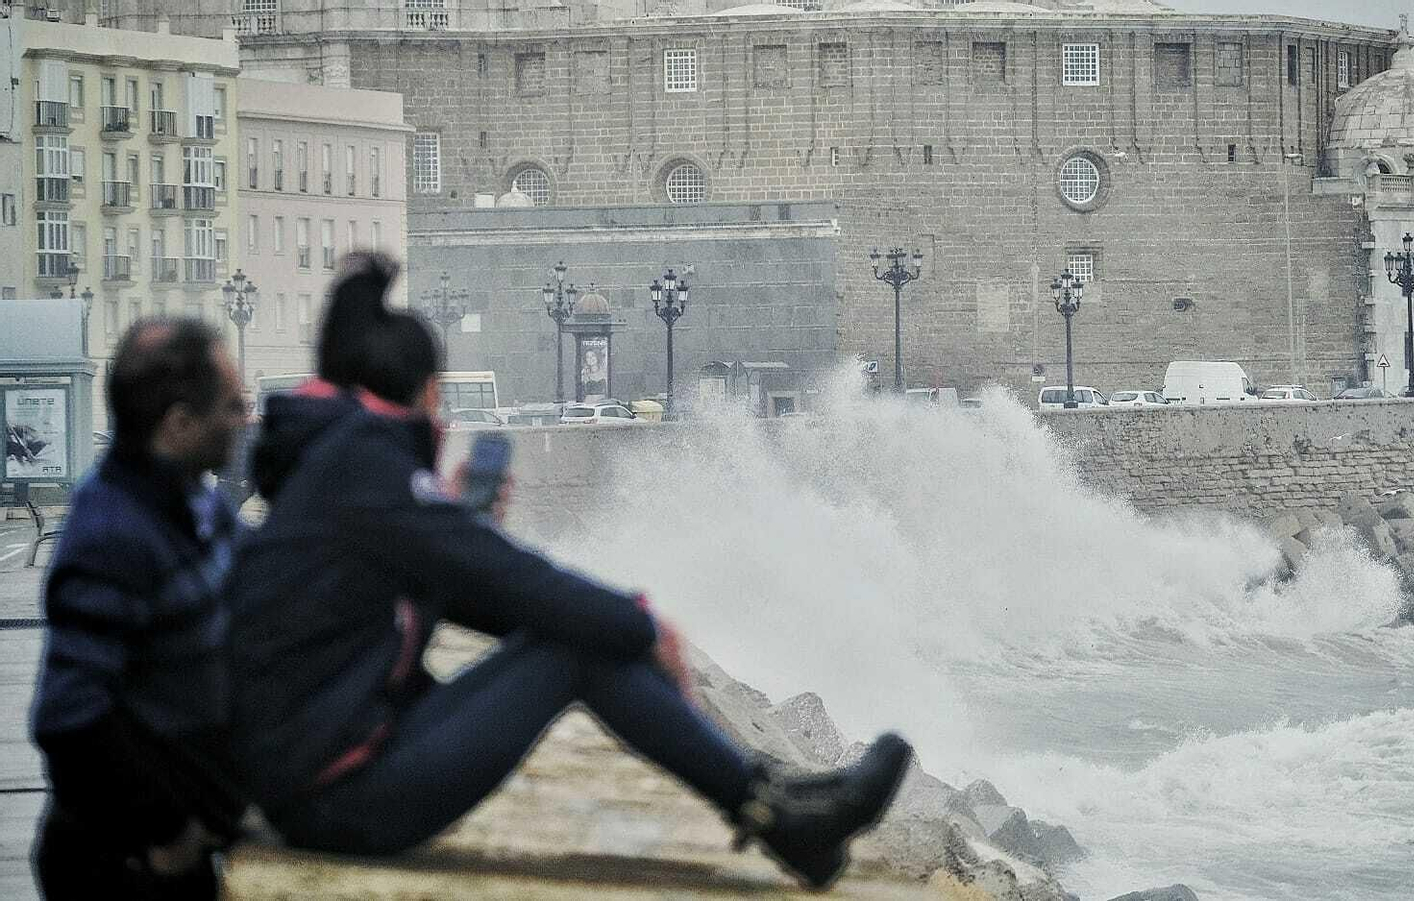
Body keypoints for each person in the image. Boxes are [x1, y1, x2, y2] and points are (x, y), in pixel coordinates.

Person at [226, 253, 911, 890]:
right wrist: (643, 622)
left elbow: (477, 593)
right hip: (339, 794)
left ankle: (780, 804)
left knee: (579, 634)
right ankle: (779, 815)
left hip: (326, 769)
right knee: (576, 647)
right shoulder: (365, 469)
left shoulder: (329, 465)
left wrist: (461, 531)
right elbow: (522, 586)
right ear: (427, 393)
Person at [30, 318, 250, 900]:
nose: (244, 419)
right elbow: (69, 719)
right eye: (233, 405)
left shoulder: (195, 498)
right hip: (125, 865)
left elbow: (266, 579)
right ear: (178, 424)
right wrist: (168, 831)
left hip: (179, 847)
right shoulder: (112, 536)